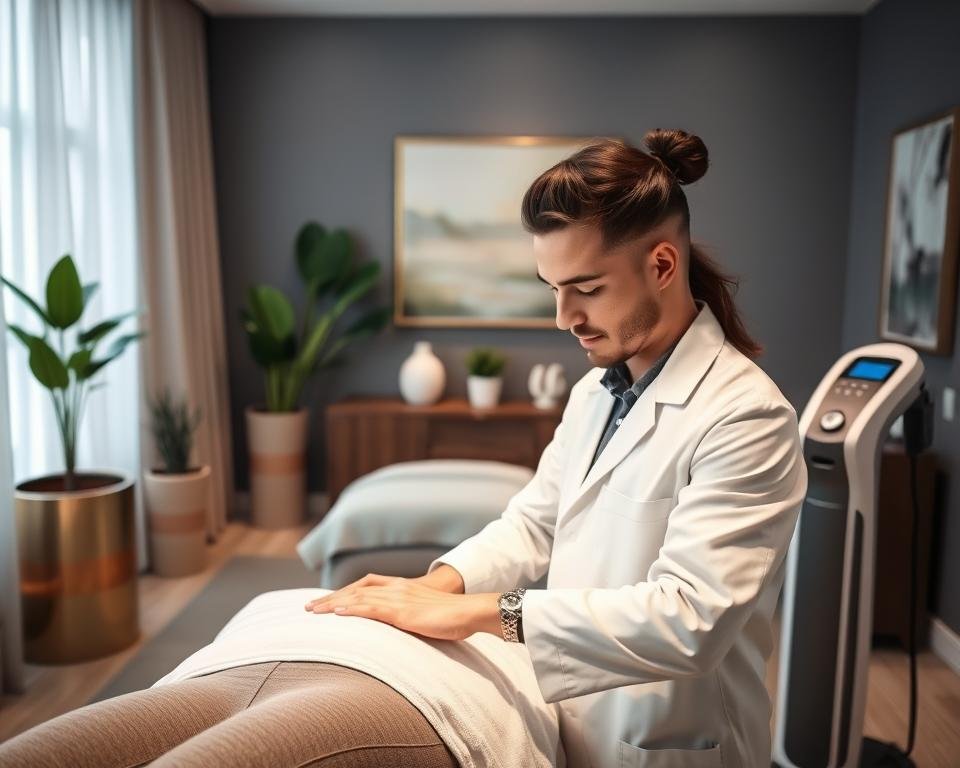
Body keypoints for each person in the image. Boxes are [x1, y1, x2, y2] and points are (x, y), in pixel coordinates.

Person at [303, 129, 807, 768]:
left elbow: (689, 621)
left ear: (662, 265)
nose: (564, 316)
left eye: (587, 288)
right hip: (573, 716)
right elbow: (534, 522)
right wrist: (436, 585)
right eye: (553, 288)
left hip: (668, 743)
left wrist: (476, 614)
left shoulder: (747, 417)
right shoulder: (596, 389)